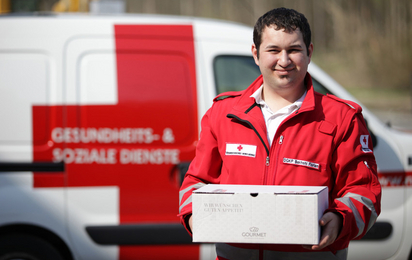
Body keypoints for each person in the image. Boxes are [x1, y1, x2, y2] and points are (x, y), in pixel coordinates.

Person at [179, 7, 381, 260]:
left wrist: (340, 220)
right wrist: (195, 216)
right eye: (273, 50)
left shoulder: (342, 118)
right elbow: (196, 182)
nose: (283, 61)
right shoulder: (222, 114)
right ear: (256, 53)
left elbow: (364, 192)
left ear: (309, 53)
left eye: (294, 50)